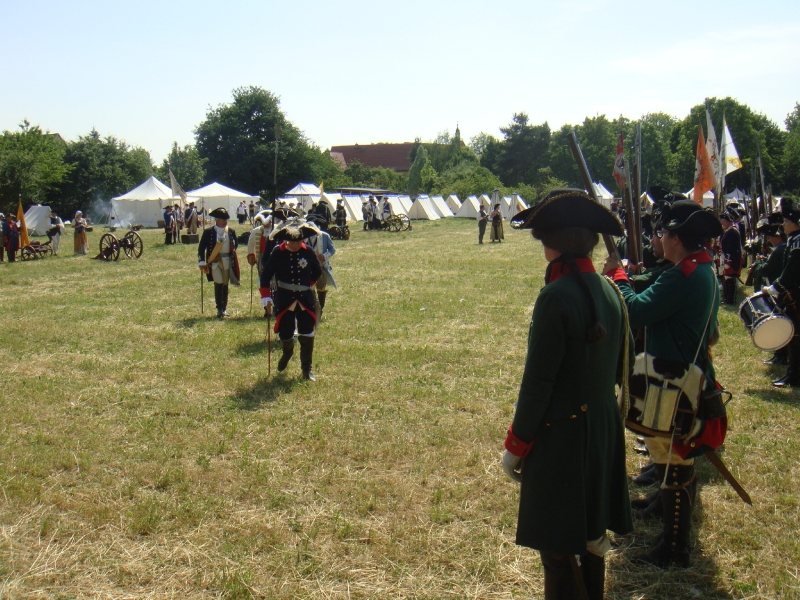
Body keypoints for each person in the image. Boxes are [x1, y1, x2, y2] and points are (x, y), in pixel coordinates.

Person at [503, 189, 632, 600]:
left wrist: (517, 444)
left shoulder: (556, 296)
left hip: (562, 436)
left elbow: (538, 383)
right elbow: (621, 367)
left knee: (558, 546)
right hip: (603, 428)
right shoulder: (612, 291)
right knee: (592, 537)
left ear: (552, 242)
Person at [603, 200, 724, 568]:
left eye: (664, 234)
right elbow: (653, 285)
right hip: (680, 375)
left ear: (675, 239)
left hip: (674, 381)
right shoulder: (698, 268)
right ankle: (668, 523)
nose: (661, 239)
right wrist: (629, 276)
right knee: (671, 457)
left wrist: (617, 277)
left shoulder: (683, 276)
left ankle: (674, 548)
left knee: (675, 460)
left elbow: (636, 309)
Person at [259, 218, 323, 380]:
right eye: (292, 242)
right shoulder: (278, 253)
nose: (295, 245)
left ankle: (306, 370)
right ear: (286, 241)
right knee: (285, 332)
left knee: (307, 333)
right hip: (285, 298)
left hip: (305, 299)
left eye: (298, 242)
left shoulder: (308, 252)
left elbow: (317, 271)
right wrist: (266, 296)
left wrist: (308, 284)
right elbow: (266, 275)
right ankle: (287, 353)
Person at [762, 196, 800, 387]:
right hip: (792, 293)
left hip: (796, 294)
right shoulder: (794, 239)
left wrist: (776, 287)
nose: (783, 225)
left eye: (786, 221)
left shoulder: (797, 242)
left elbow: (792, 269)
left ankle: (795, 376)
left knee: (796, 335)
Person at [198, 207, 240, 318]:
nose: (225, 221)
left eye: (226, 219)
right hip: (214, 261)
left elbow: (235, 245)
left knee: (225, 284)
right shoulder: (208, 232)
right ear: (217, 220)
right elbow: (201, 247)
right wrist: (201, 261)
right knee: (218, 282)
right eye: (223, 219)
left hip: (226, 261)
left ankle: (224, 308)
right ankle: (219, 308)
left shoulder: (230, 231)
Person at [306, 215, 337, 318]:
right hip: (307, 268)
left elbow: (332, 249)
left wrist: (324, 256)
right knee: (310, 289)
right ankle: (313, 308)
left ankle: (320, 307)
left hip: (321, 267)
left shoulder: (324, 236)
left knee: (321, 288)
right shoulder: (304, 237)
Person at [720, 211, 742, 304]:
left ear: (728, 221)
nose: (722, 223)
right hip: (728, 258)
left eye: (723, 221)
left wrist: (728, 261)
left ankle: (731, 299)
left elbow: (731, 248)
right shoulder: (729, 231)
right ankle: (727, 298)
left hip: (732, 260)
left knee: (731, 279)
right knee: (727, 279)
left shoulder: (732, 232)